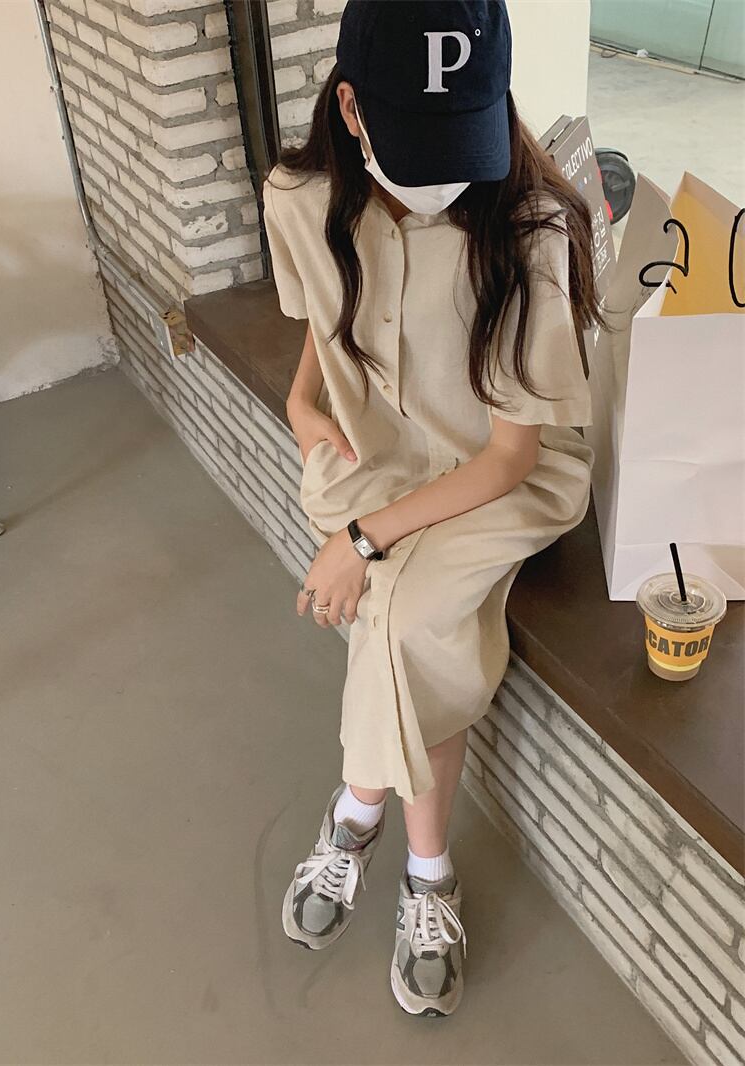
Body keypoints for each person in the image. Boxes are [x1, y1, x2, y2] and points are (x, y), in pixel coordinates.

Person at [262, 0, 610, 1018]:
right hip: (383, 447)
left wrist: (361, 538)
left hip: (504, 472)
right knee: (413, 628)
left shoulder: (529, 225)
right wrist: (301, 402)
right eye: (417, 145)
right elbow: (325, 311)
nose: (441, 182)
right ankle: (421, 872)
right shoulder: (298, 197)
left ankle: (363, 820)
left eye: (460, 140)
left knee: (402, 617)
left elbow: (508, 455)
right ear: (351, 107)